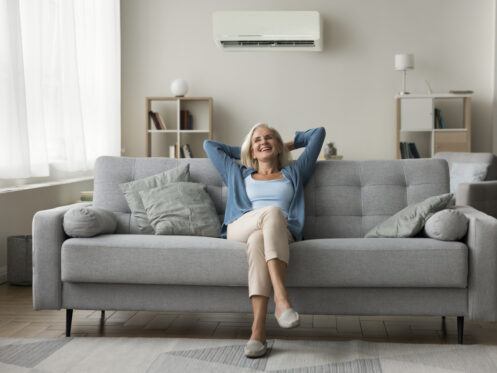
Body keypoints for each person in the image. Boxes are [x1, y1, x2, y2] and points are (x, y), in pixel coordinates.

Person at [203, 124, 326, 358]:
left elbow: (318, 134)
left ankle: (258, 332)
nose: (263, 142)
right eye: (257, 140)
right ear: (251, 149)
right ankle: (281, 299)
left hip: (279, 234)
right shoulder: (237, 172)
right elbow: (209, 146)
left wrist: (285, 145)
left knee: (260, 238)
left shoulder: (295, 172)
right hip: (241, 227)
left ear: (278, 146)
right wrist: (247, 149)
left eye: (269, 138)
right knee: (271, 212)